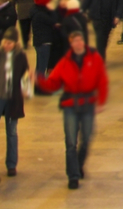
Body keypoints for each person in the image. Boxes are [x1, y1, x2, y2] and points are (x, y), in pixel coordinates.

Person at [37, 27, 109, 189]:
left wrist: (101, 101)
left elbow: (102, 79)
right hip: (70, 105)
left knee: (87, 139)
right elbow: (53, 83)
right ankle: (73, 176)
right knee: (70, 142)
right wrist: (39, 80)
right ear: (71, 44)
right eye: (75, 41)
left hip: (88, 103)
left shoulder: (94, 58)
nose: (78, 44)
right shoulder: (65, 62)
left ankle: (78, 164)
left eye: (80, 40)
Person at [0, 32, 30, 177]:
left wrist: (26, 90)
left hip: (13, 99)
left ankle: (11, 164)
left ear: (15, 44)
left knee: (12, 132)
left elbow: (25, 74)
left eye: (10, 43)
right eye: (5, 42)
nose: (7, 45)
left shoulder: (20, 56)